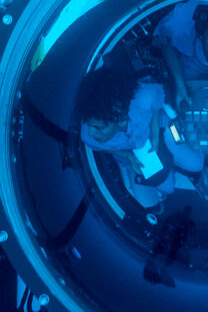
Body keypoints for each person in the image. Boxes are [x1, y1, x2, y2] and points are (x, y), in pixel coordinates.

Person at [75, 54, 193, 209]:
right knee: (167, 188)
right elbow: (104, 147)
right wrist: (126, 155)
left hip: (158, 133)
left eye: (98, 127)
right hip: (132, 155)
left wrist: (155, 131)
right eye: (89, 125)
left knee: (195, 165)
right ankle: (131, 171)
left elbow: (158, 97)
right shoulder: (88, 136)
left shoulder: (143, 97)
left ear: (120, 117)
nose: (91, 133)